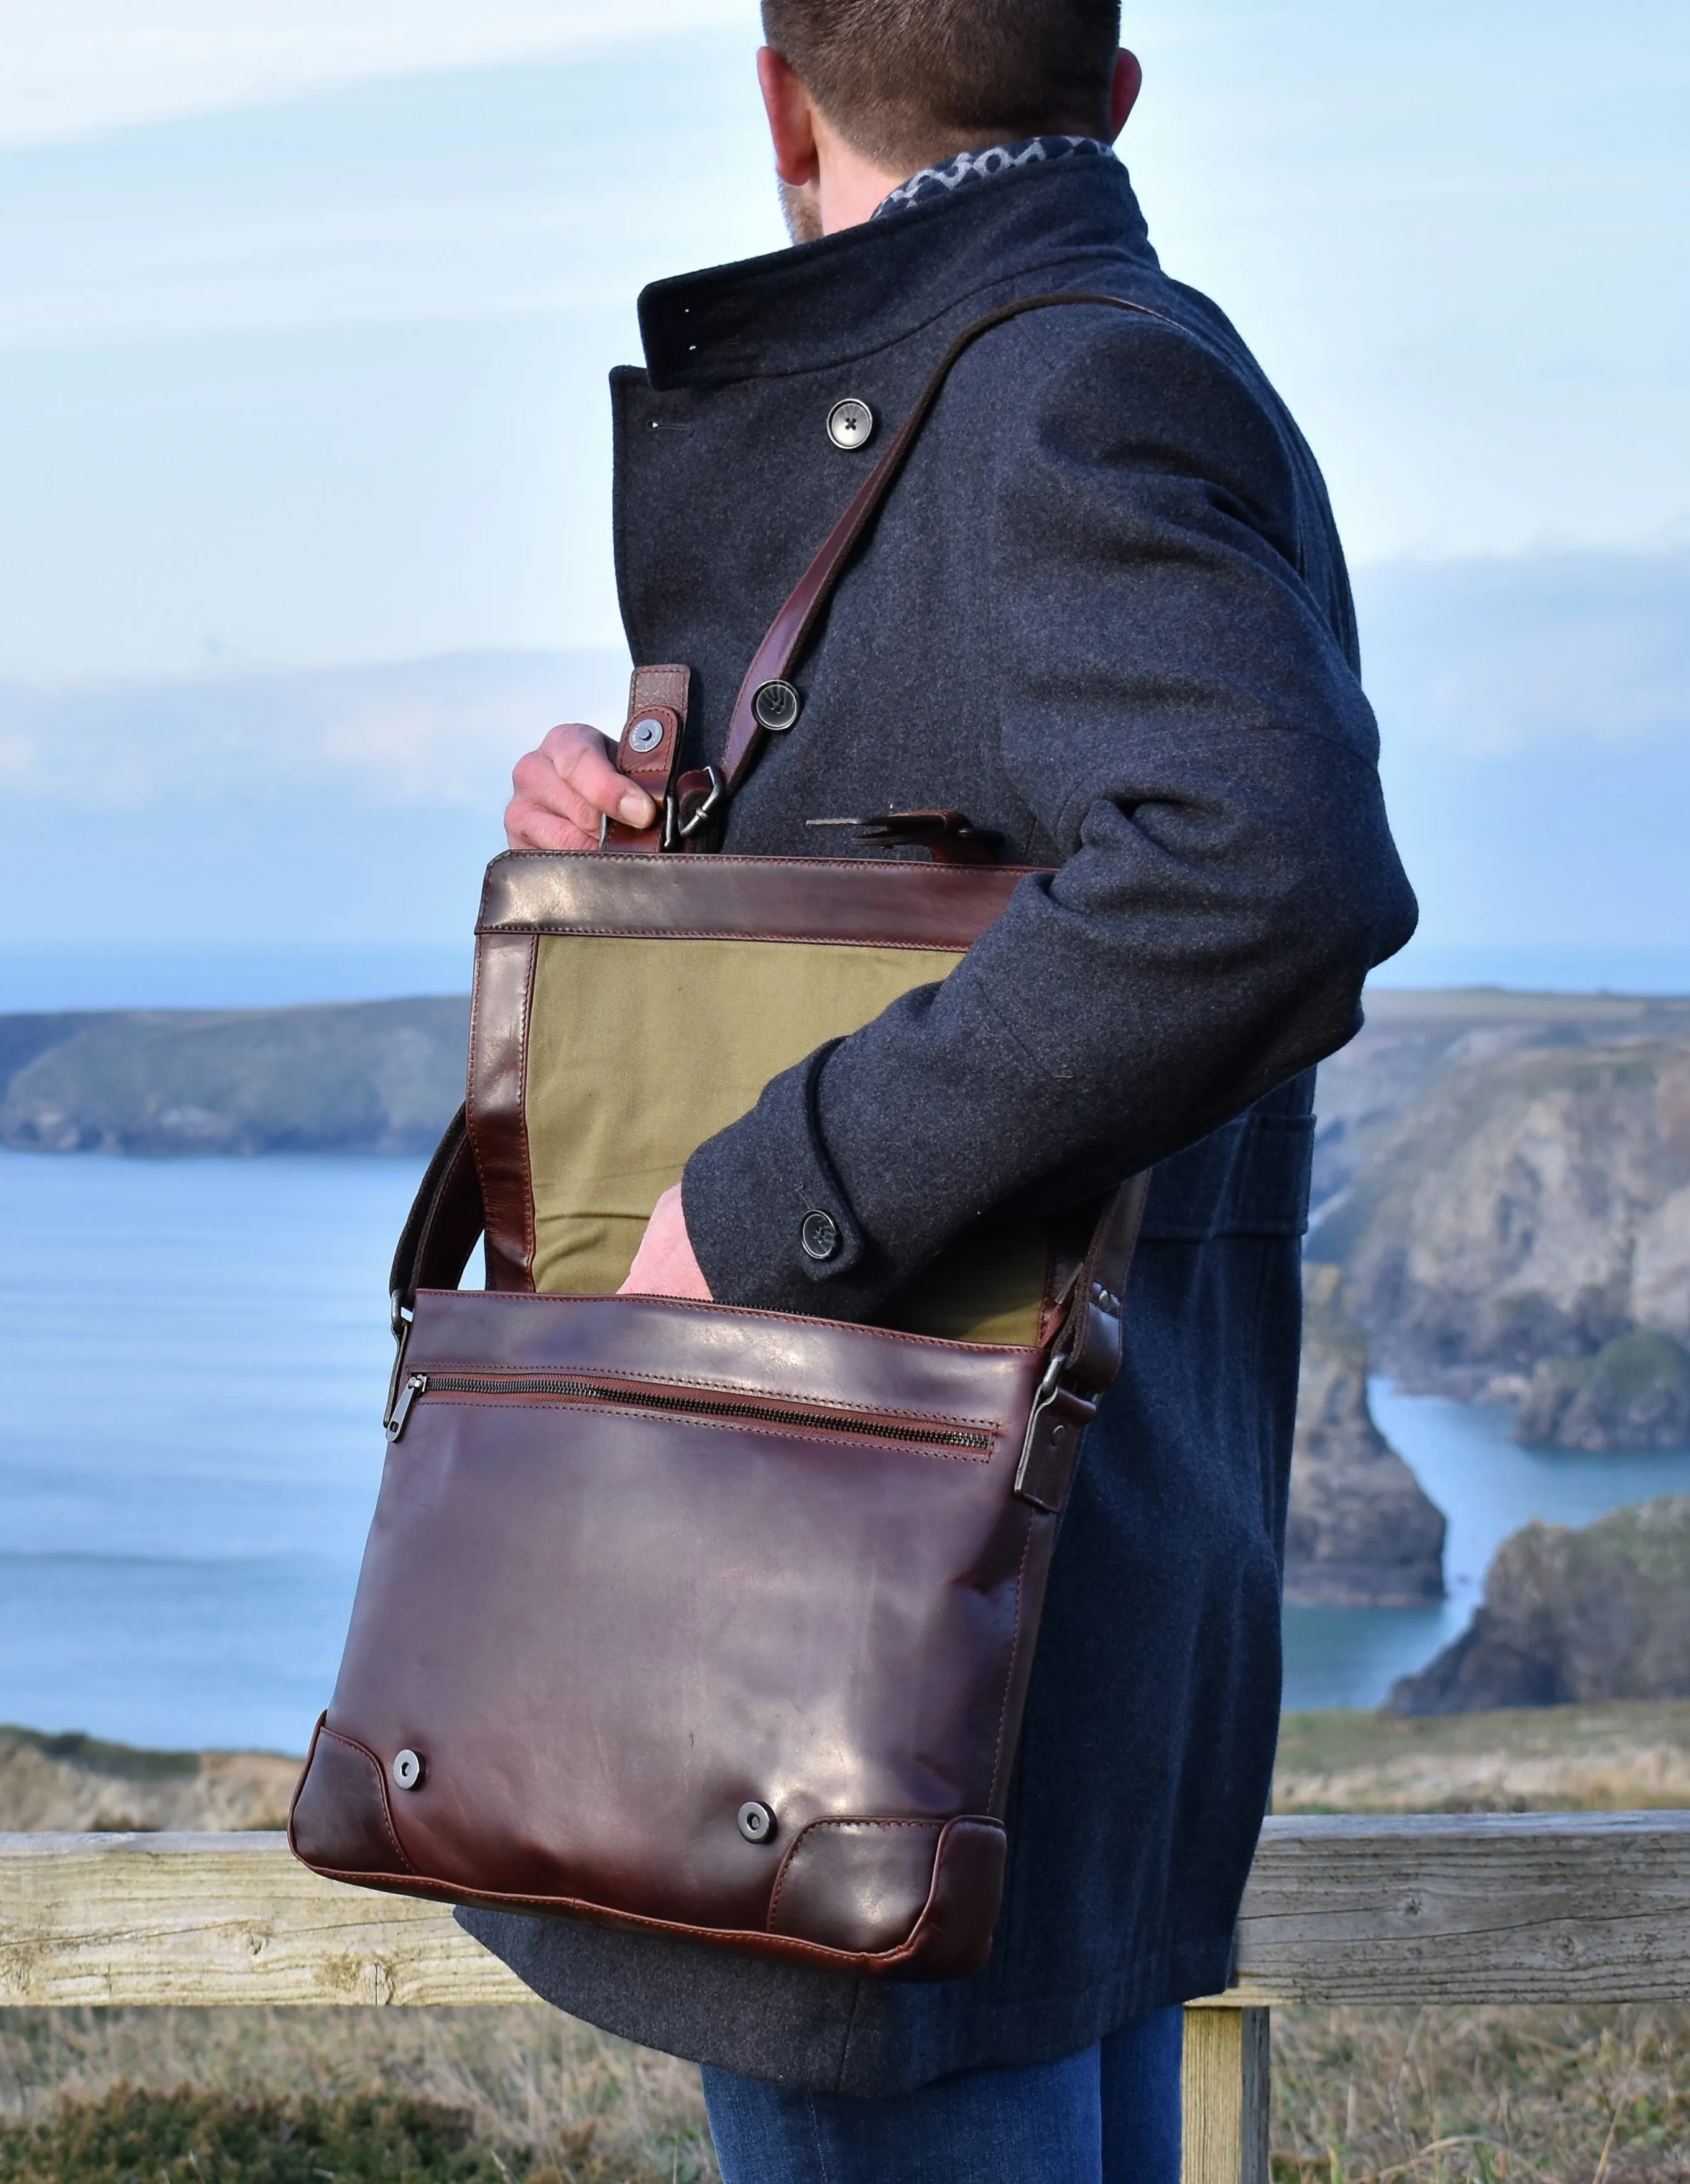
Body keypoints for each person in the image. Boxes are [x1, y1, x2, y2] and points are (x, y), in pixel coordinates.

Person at [471, 3, 1418, 2179]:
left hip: (896, 1672)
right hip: (964, 1646)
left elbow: (1259, 870)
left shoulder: (1064, 386)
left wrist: (766, 1200)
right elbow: (1010, 870)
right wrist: (655, 849)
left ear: (781, 108)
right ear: (1112, 94)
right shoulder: (1022, 384)